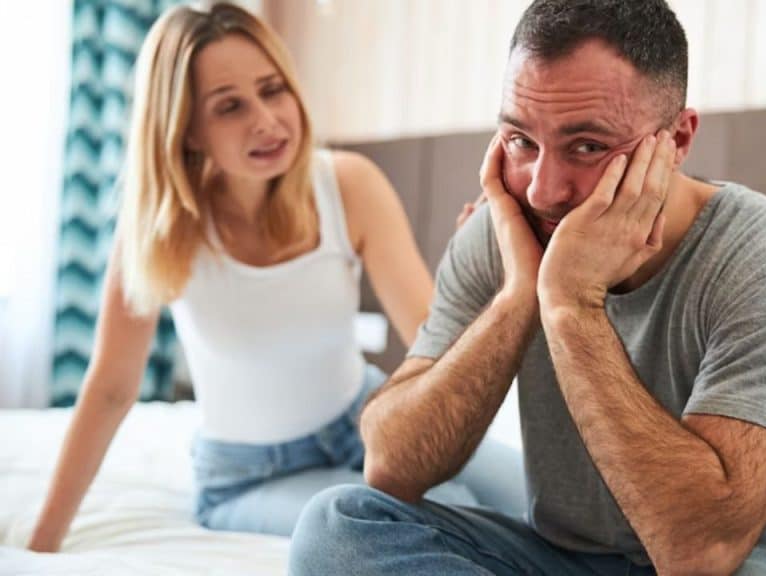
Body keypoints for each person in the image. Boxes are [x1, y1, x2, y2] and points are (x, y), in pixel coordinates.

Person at [289, 0, 766, 575]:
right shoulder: (506, 232)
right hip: (565, 561)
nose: (542, 191)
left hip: (747, 564)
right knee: (339, 528)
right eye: (520, 141)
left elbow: (700, 553)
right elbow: (391, 466)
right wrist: (518, 296)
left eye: (587, 146)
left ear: (677, 140)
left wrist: (570, 305)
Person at [27, 2, 475, 551]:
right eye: (229, 106)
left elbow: (435, 346)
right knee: (437, 515)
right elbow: (112, 389)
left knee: (527, 502)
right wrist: (41, 542)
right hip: (251, 477)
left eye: (272, 89)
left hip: (366, 419)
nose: (266, 119)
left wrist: (477, 277)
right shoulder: (160, 231)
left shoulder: (348, 185)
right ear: (186, 130)